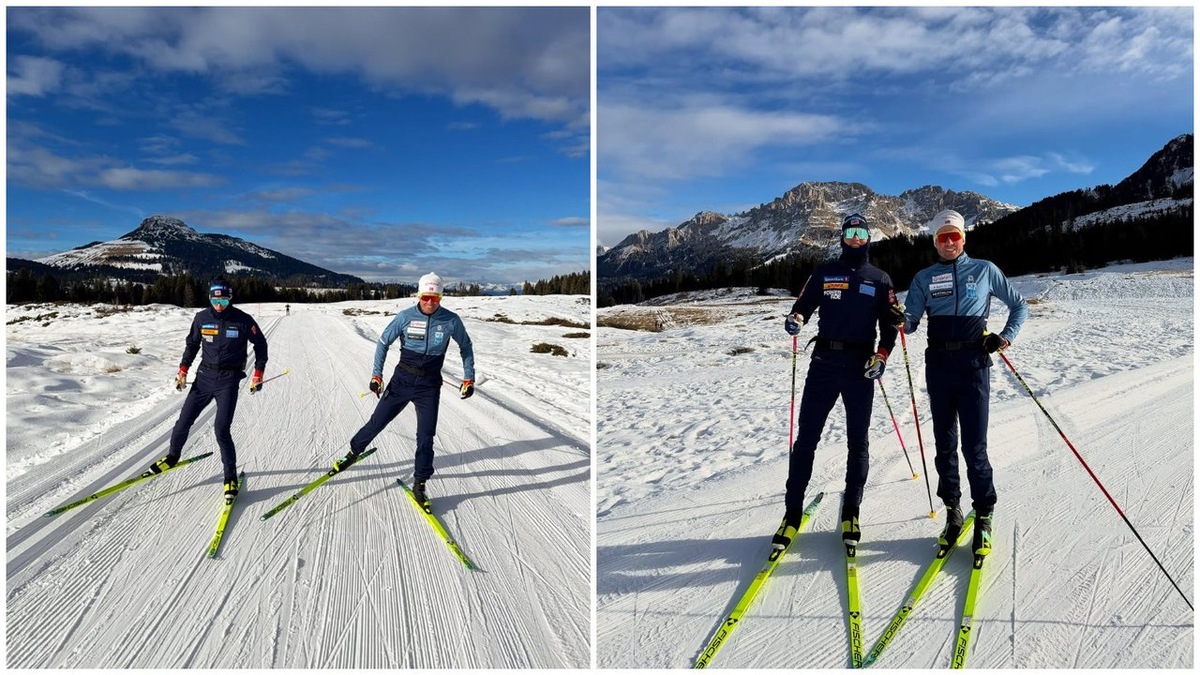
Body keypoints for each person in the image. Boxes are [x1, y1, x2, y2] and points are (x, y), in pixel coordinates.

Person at [774, 213, 904, 551]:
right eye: (851, 232)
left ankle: (851, 511)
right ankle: (791, 512)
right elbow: (802, 306)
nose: (856, 238)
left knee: (857, 442)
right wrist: (796, 319)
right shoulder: (824, 271)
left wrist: (883, 356)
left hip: (861, 366)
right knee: (806, 440)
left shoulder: (880, 278)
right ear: (842, 237)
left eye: (862, 232)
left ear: (869, 237)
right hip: (824, 364)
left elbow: (891, 325)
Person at [902, 209, 1028, 556]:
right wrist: (901, 319)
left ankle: (984, 513)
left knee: (974, 447)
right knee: (944, 445)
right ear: (934, 242)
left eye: (953, 236)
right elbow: (910, 321)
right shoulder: (923, 278)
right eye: (942, 237)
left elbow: (1019, 307)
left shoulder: (984, 270)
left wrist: (1004, 338)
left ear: (963, 238)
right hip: (939, 366)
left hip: (973, 365)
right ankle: (953, 511)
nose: (948, 242)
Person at [342, 272, 476, 507]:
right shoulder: (405, 317)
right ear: (419, 295)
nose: (430, 303)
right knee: (377, 422)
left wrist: (469, 378)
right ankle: (353, 452)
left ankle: (420, 482)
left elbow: (466, 346)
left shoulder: (451, 320)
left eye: (435, 298)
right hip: (402, 380)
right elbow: (383, 343)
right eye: (426, 297)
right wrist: (376, 374)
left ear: (441, 298)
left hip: (429, 386)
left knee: (426, 437)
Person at [150, 279, 268, 498]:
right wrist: (183, 369)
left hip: (228, 381)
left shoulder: (243, 320)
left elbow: (260, 345)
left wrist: (258, 373)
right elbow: (192, 346)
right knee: (183, 422)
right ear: (210, 298)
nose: (220, 305)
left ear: (230, 298)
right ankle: (173, 456)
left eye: (224, 299)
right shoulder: (201, 318)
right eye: (215, 299)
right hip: (204, 378)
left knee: (221, 430)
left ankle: (230, 477)